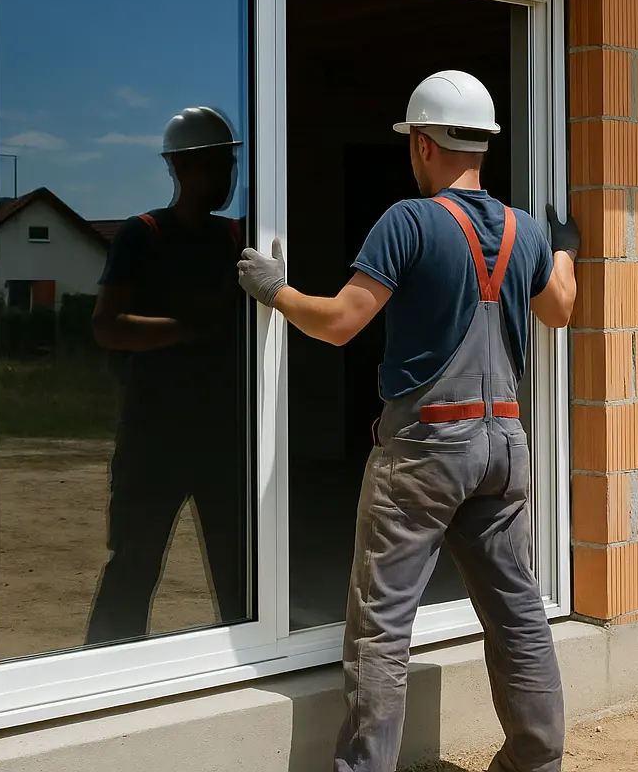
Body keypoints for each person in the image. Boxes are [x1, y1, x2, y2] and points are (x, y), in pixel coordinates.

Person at [238, 71, 579, 772]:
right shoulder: (526, 230)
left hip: (425, 448)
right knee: (517, 613)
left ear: (422, 144)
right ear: (483, 143)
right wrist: (564, 246)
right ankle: (537, 761)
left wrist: (278, 292)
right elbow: (561, 308)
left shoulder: (408, 221)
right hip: (504, 448)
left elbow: (339, 323)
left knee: (383, 628)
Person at [86, 105, 248, 645]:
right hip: (153, 439)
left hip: (223, 438)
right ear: (179, 167)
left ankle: (245, 661)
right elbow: (108, 326)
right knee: (134, 563)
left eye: (228, 164)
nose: (224, 176)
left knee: (241, 573)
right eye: (212, 164)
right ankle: (102, 671)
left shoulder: (234, 239)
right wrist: (195, 329)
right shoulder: (144, 234)